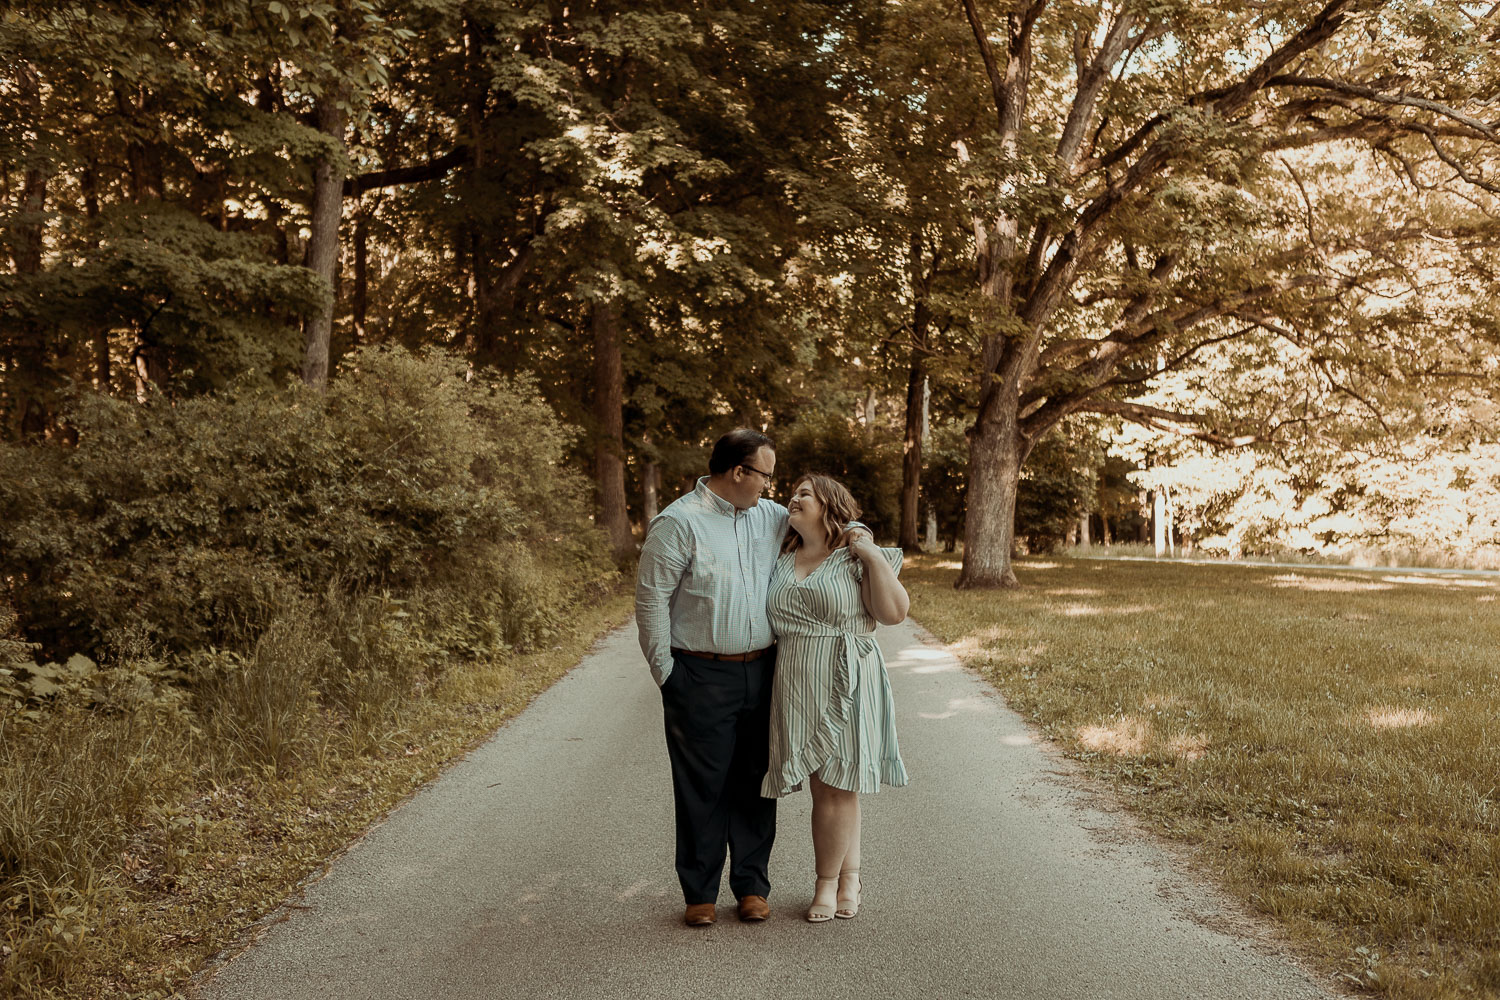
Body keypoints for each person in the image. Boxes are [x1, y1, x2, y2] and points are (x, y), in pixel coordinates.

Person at [635, 429, 786, 927]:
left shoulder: (772, 518)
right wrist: (667, 675)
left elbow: (827, 526)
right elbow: (652, 598)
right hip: (698, 674)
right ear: (738, 472)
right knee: (703, 786)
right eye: (765, 474)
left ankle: (751, 886)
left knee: (757, 781)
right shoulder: (678, 523)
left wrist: (861, 538)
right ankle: (699, 892)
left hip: (764, 670)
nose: (770, 484)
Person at [760, 474, 909, 923]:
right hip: (795, 678)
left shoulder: (854, 557)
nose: (793, 498)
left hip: (847, 672)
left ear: (830, 505)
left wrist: (869, 552)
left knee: (836, 783)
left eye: (805, 493)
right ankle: (850, 878)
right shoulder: (782, 555)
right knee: (828, 785)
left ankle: (827, 884)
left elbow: (894, 613)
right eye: (793, 492)